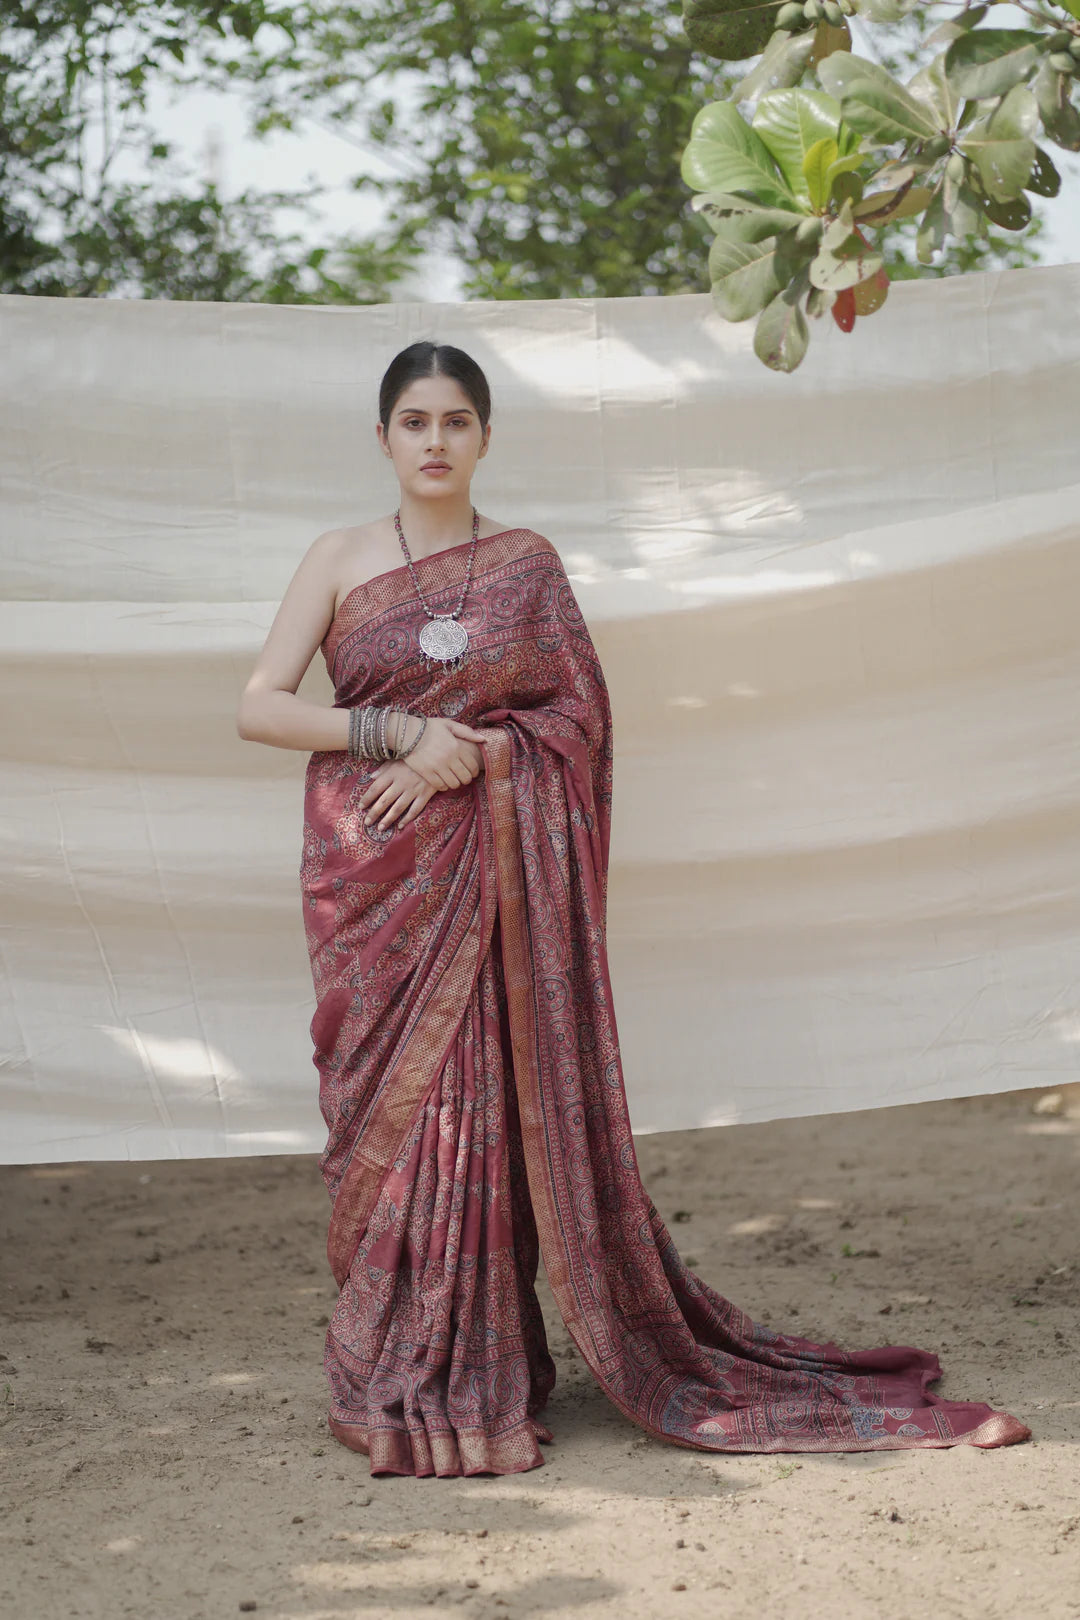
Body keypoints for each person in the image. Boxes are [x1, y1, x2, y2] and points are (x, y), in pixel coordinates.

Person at [236, 339, 1031, 1478]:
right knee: (398, 1128)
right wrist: (398, 732)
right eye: (414, 422)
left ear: (486, 437)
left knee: (480, 1120)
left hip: (495, 882)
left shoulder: (527, 566)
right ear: (382, 438)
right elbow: (261, 708)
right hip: (381, 888)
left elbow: (580, 726)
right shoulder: (339, 556)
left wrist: (488, 759)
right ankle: (392, 1369)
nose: (434, 442)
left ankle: (480, 1373)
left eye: (456, 421)